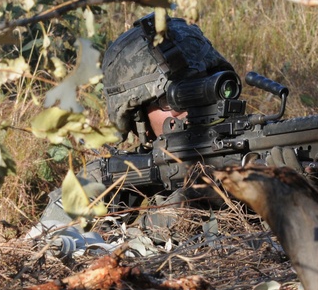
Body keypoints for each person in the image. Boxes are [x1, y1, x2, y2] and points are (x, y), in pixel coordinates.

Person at [36, 14, 236, 237]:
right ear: (138, 118)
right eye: (173, 99)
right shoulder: (104, 181)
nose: (191, 109)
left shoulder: (259, 148)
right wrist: (157, 228)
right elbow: (48, 247)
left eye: (203, 87)